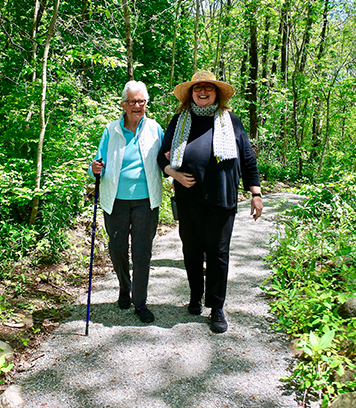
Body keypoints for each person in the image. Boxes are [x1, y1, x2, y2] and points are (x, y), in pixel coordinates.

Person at [157, 70, 263, 333]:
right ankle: (195, 296)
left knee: (218, 255)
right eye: (197, 88)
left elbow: (248, 159)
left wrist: (256, 192)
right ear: (190, 94)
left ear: (216, 93)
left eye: (208, 88)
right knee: (191, 252)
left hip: (222, 199)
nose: (202, 92)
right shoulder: (179, 120)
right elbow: (162, 156)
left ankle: (216, 307)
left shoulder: (231, 121)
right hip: (188, 198)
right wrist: (174, 173)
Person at [89, 80, 164, 323]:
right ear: (123, 104)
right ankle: (124, 286)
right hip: (116, 201)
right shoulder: (111, 131)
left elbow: (166, 161)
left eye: (141, 101)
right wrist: (94, 169)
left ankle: (140, 302)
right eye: (132, 101)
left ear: (146, 104)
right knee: (118, 248)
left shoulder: (155, 129)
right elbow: (96, 166)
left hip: (146, 201)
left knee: (142, 252)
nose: (137, 106)